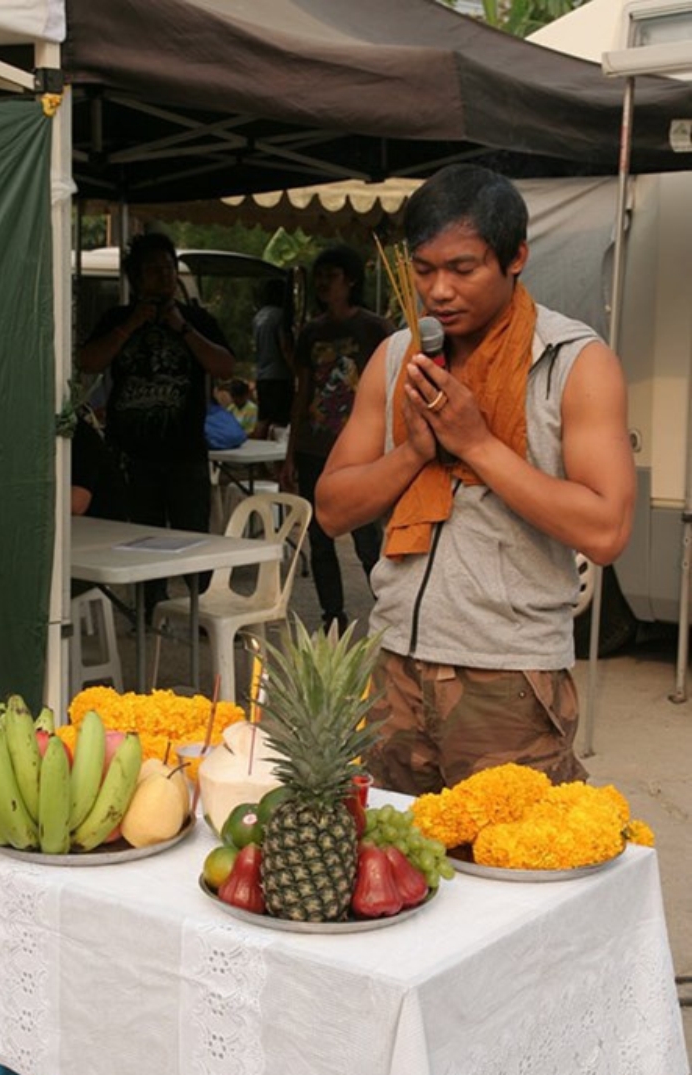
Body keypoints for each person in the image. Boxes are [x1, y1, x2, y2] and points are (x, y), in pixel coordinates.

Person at [315, 165, 636, 794]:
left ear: (516, 257)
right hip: (393, 671)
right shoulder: (397, 357)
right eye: (424, 268)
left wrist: (477, 444)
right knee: (394, 873)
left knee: (512, 880)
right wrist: (412, 454)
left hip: (508, 677)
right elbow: (330, 509)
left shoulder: (573, 363)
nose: (439, 291)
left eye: (463, 269)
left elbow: (606, 530)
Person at [78, 232, 234, 614]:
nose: (163, 278)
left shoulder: (196, 319)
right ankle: (148, 613)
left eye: (168, 269)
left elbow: (225, 367)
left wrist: (181, 327)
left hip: (185, 454)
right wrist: (131, 325)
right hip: (132, 456)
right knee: (140, 542)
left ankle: (204, 613)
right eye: (152, 271)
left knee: (194, 539)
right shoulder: (116, 318)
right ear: (135, 277)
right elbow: (88, 362)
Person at [282, 245, 393, 635]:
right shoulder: (311, 332)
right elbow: (302, 391)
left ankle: (390, 609)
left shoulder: (375, 328)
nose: (325, 283)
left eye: (332, 275)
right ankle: (333, 617)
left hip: (363, 448)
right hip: (315, 446)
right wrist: (290, 452)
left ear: (351, 280)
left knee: (367, 536)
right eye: (321, 276)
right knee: (320, 535)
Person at [253, 276, 295, 437]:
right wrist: (295, 369)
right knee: (279, 421)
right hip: (279, 375)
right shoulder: (280, 316)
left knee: (263, 418)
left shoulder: (259, 316)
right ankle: (276, 459)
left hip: (262, 374)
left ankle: (257, 457)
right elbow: (284, 346)